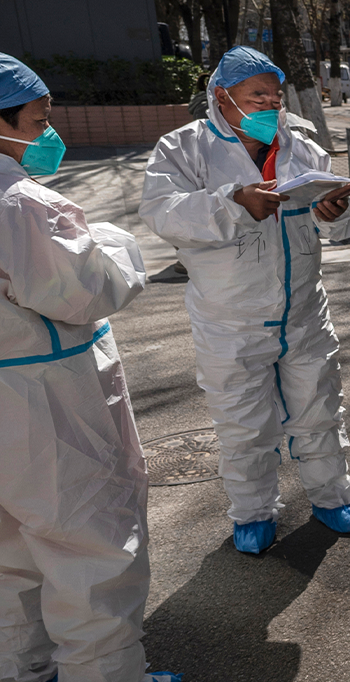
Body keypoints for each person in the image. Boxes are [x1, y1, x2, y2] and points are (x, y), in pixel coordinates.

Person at [139, 46, 350, 555]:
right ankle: (252, 512)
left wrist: (338, 212)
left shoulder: (300, 144)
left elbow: (343, 219)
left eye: (274, 93)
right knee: (243, 425)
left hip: (305, 313)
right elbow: (161, 213)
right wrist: (233, 202)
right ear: (223, 97)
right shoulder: (184, 148)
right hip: (230, 322)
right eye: (256, 94)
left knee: (320, 410)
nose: (270, 102)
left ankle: (332, 496)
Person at [0, 54, 181, 682]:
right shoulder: (22, 203)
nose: (48, 132)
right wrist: (109, 240)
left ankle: (27, 671)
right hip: (41, 397)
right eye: (37, 118)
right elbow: (84, 292)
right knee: (92, 546)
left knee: (9, 554)